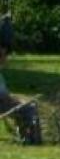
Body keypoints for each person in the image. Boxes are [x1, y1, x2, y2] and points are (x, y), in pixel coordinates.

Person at [0, 10, 42, 145]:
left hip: (3, 103)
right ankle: (31, 140)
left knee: (29, 105)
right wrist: (14, 100)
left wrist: (15, 99)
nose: (7, 58)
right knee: (28, 109)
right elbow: (3, 96)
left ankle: (29, 138)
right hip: (2, 104)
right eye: (5, 55)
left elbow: (4, 94)